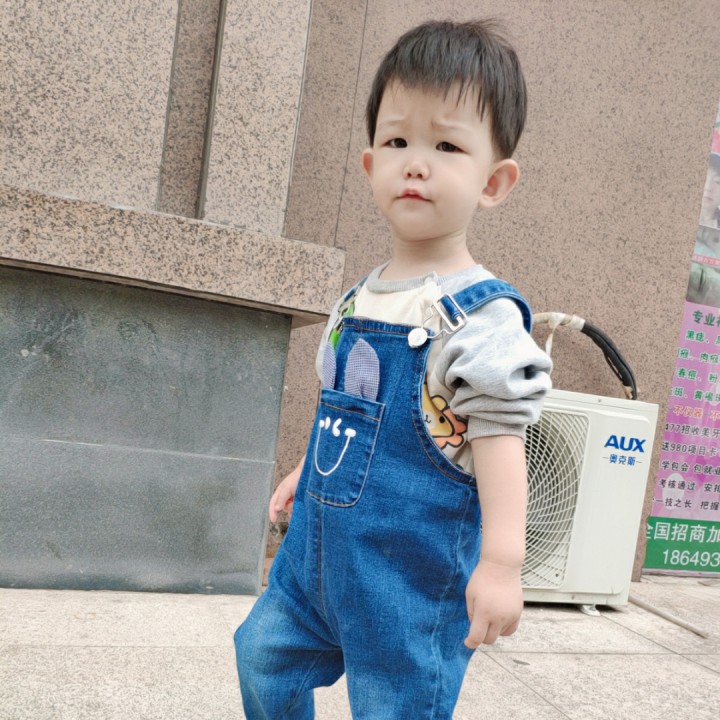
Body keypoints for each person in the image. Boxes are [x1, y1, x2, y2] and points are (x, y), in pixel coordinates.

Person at [234, 19, 552, 719]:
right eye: (399, 141)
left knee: (395, 707)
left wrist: (501, 565)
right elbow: (344, 406)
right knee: (261, 656)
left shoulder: (481, 318)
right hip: (314, 565)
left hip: (409, 582)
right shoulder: (357, 298)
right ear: (370, 162)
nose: (416, 163)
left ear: (494, 182)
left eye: (447, 146)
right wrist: (305, 471)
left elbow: (501, 440)